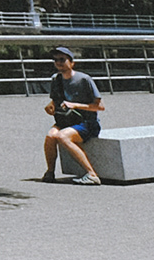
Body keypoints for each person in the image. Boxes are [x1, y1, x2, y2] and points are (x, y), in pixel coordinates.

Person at [40, 48, 107, 184]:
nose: (58, 63)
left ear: (72, 63)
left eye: (62, 59)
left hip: (86, 123)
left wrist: (75, 105)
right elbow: (55, 100)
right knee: (50, 136)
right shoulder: (56, 79)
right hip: (65, 121)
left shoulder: (84, 79)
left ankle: (91, 174)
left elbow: (100, 106)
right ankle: (50, 172)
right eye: (56, 60)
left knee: (62, 136)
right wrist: (50, 106)